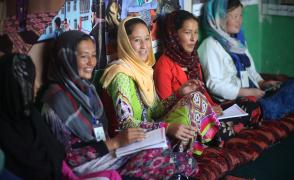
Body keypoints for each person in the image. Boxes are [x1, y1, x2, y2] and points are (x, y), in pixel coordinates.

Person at [39, 30, 198, 179]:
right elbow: (67, 158)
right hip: (86, 165)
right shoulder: (56, 100)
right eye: (84, 56)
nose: (91, 62)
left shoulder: (88, 90)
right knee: (171, 160)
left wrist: (178, 96)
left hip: (110, 151)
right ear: (66, 58)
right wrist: (115, 143)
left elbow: (153, 111)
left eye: (94, 55)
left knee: (178, 156)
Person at [100, 17, 220, 156]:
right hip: (131, 142)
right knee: (184, 121)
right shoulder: (121, 75)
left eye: (146, 39)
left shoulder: (143, 70)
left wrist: (179, 93)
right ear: (125, 43)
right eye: (137, 40)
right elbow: (126, 123)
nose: (144, 46)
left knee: (194, 97)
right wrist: (167, 128)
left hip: (152, 132)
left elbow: (154, 112)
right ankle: (188, 151)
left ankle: (195, 145)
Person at [154, 10, 261, 141]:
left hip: (205, 113)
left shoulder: (192, 59)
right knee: (216, 126)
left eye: (195, 32)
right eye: (188, 33)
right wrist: (204, 110)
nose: (194, 39)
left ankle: (222, 130)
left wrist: (212, 107)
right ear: (174, 35)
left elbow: (203, 90)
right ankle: (219, 133)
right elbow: (165, 107)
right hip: (184, 118)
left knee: (250, 103)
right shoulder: (164, 65)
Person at [198, 0, 294, 120]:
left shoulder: (237, 43)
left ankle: (269, 109)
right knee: (266, 105)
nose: (239, 20)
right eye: (235, 16)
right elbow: (214, 85)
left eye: (241, 15)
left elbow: (251, 72)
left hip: (254, 94)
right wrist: (246, 92)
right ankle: (266, 110)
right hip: (236, 100)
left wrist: (263, 83)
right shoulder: (210, 45)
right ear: (219, 18)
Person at [0, 53, 65, 180]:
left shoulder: (32, 117)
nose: (35, 87)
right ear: (10, 87)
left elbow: (57, 154)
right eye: (27, 82)